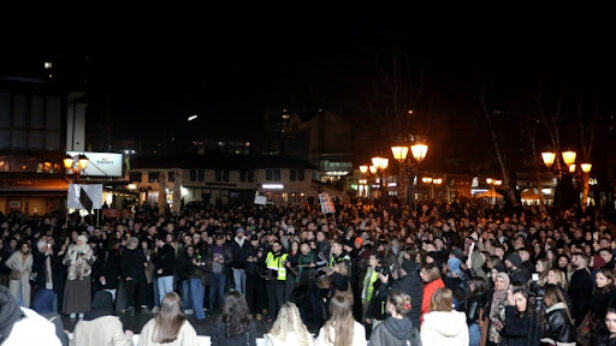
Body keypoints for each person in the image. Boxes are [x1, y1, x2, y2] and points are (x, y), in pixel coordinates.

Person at [63, 234, 95, 319]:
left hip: (84, 275)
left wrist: (86, 258)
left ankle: (82, 311)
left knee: (83, 294)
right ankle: (72, 310)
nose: (77, 242)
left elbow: (92, 261)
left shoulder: (89, 250)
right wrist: (72, 263)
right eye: (77, 240)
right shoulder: (71, 248)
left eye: (79, 240)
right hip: (72, 274)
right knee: (72, 293)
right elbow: (65, 260)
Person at [121, 236, 148, 316]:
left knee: (142, 290)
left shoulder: (139, 251)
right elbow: (123, 265)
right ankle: (131, 307)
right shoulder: (126, 252)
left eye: (137, 242)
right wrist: (126, 276)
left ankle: (143, 306)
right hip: (131, 275)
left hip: (140, 274)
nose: (136, 244)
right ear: (131, 243)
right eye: (134, 242)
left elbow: (144, 259)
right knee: (131, 292)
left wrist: (145, 262)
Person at [457, 277, 487, 346]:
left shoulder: (475, 298)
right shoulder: (482, 297)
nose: (470, 285)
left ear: (478, 285)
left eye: (472, 284)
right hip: (474, 326)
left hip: (472, 326)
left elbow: (471, 316)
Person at [483, 271, 510, 346]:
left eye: (502, 282)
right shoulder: (490, 294)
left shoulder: (508, 298)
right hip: (487, 329)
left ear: (506, 283)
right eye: (497, 281)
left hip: (501, 332)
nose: (498, 284)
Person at [265, 240, 288, 322]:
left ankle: (281, 318)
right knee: (271, 299)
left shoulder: (284, 256)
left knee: (279, 300)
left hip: (279, 280)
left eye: (276, 246)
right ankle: (271, 316)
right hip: (270, 280)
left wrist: (286, 263)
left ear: (280, 247)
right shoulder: (269, 254)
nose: (275, 247)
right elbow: (266, 265)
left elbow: (288, 266)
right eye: (273, 246)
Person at [4, 241, 33, 307]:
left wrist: (29, 269)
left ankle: (25, 310)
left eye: (26, 247)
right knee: (14, 294)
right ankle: (13, 310)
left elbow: (31, 266)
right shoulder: (16, 254)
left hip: (26, 277)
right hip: (16, 276)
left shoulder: (31, 256)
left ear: (28, 248)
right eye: (23, 247)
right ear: (21, 247)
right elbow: (7, 263)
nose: (25, 248)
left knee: (25, 295)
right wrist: (14, 268)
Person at [569, 252, 593, 328]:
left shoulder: (583, 277)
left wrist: (576, 317)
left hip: (578, 314)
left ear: (583, 262)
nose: (573, 260)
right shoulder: (577, 274)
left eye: (576, 259)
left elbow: (582, 300)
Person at [589, 268, 616, 333]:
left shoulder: (612, 293)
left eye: (601, 279)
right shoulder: (599, 290)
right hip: (596, 323)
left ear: (609, 280)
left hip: (605, 325)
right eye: (596, 278)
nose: (597, 280)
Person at [153, 233, 176, 304]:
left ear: (159, 240)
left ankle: (171, 309)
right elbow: (155, 262)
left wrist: (163, 269)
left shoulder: (169, 248)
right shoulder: (158, 250)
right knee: (161, 293)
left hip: (168, 274)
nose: (155, 243)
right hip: (160, 275)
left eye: (156, 241)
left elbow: (171, 262)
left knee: (169, 293)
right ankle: (163, 309)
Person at [231, 228, 249, 296]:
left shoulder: (247, 242)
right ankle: (238, 301)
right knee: (237, 285)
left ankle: (244, 302)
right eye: (239, 233)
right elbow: (231, 254)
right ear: (236, 234)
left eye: (241, 232)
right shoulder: (233, 243)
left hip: (245, 267)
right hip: (236, 267)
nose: (240, 234)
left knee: (245, 286)